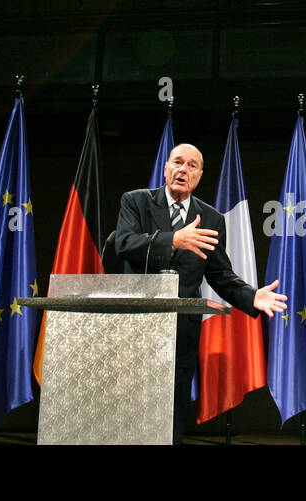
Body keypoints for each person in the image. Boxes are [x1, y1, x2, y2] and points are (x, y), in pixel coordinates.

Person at [114, 143, 287, 444]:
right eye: (177, 162)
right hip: (139, 326)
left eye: (192, 165)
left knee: (172, 413)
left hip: (181, 331)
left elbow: (219, 274)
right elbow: (124, 244)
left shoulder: (210, 218)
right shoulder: (136, 202)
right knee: (132, 407)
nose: (183, 169)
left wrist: (250, 296)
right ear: (166, 168)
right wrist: (173, 240)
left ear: (200, 175)